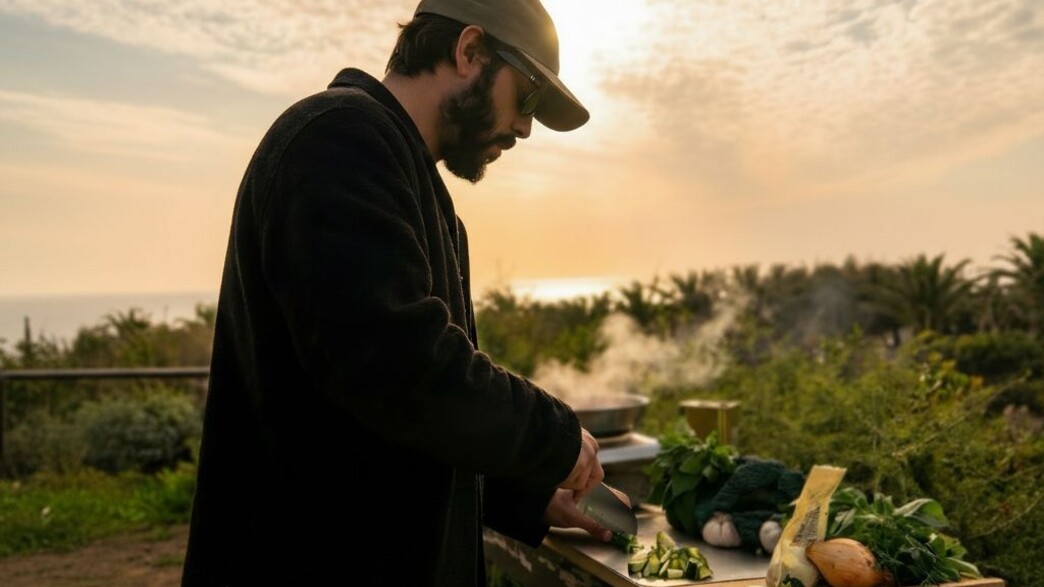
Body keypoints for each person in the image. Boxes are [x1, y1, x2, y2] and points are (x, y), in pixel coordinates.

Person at [181, 1, 617, 585]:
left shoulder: (402, 176)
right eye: (530, 96)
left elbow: (398, 429)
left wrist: (525, 493)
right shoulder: (337, 140)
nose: (524, 128)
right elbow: (399, 370)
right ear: (469, 51)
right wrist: (553, 440)